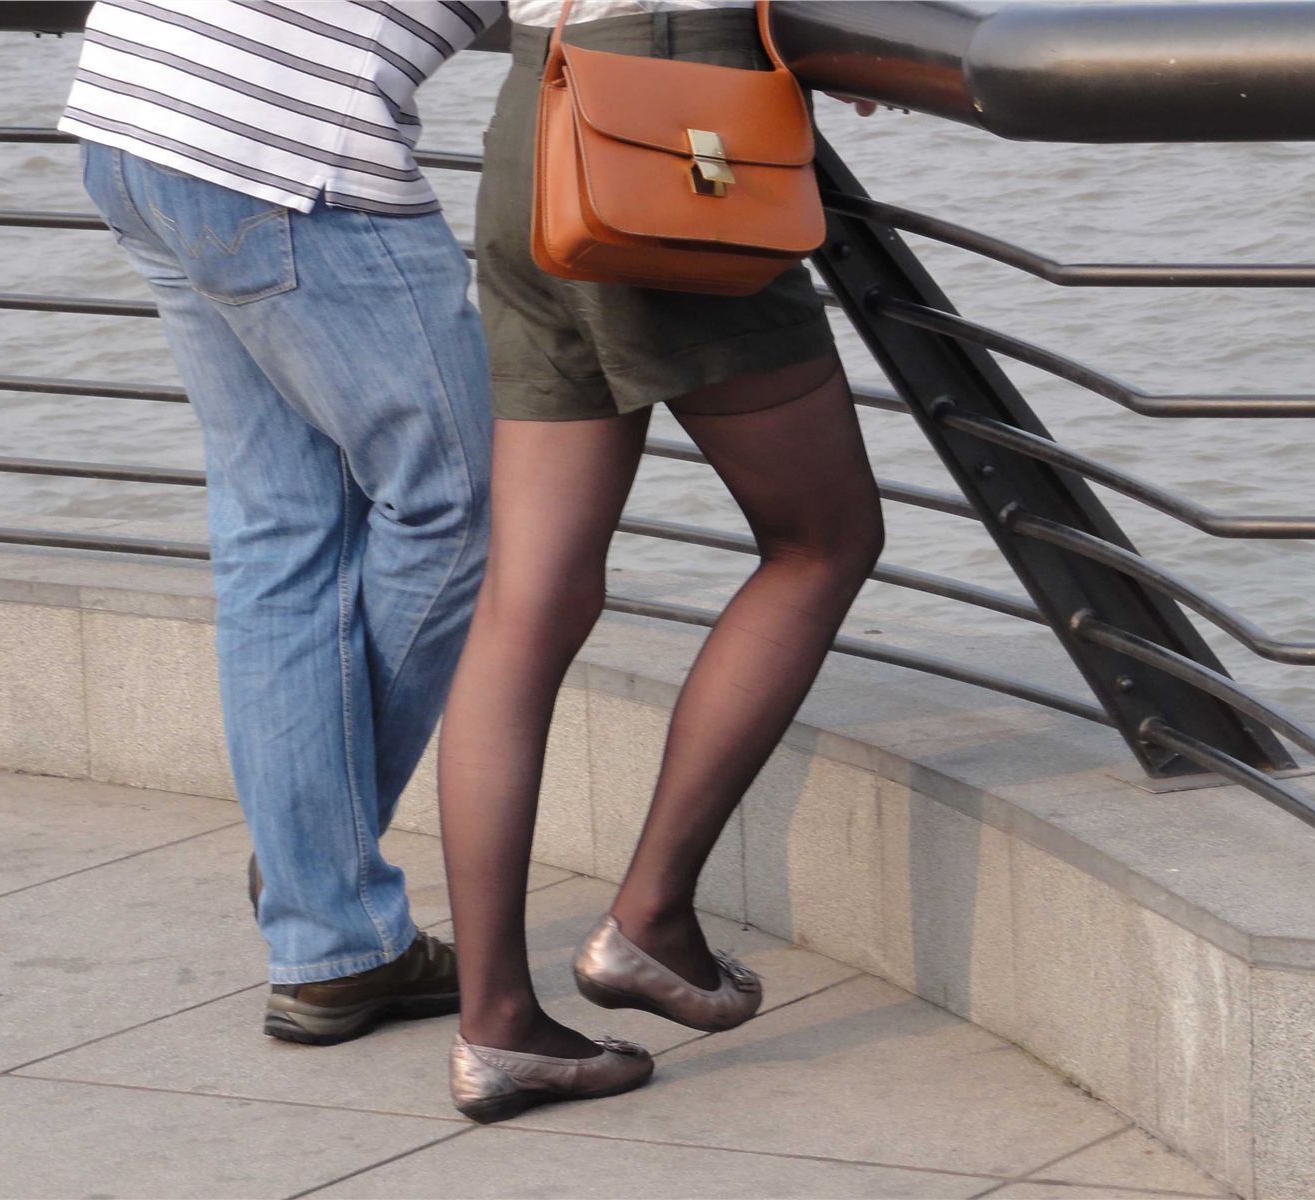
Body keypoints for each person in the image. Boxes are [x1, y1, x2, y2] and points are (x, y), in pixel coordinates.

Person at [439, 0, 885, 1122]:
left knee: (522, 606)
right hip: (676, 125)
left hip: (537, 119)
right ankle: (649, 919)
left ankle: (496, 1031)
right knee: (824, 538)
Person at [60, 0, 502, 1044]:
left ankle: (326, 933)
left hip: (137, 112)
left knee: (280, 534)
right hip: (278, 147)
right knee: (465, 498)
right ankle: (315, 872)